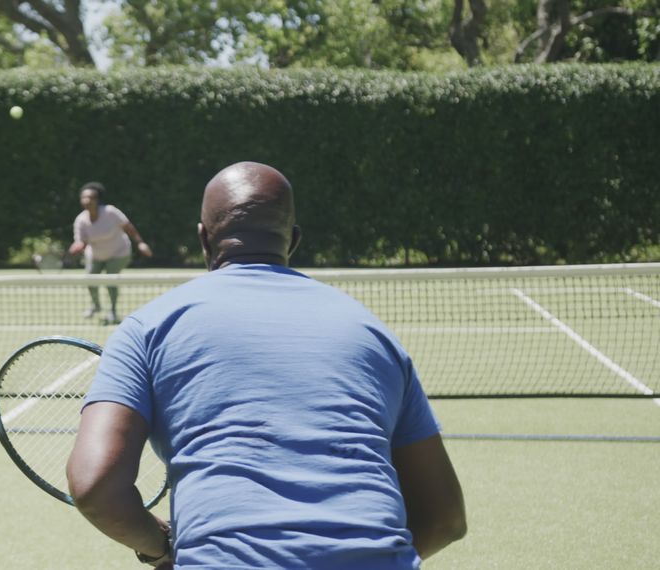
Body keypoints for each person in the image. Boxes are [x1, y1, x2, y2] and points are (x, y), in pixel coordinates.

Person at [66, 162, 466, 569]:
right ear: (292, 241)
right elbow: (445, 519)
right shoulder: (372, 332)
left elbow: (95, 485)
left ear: (204, 238)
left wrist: (160, 547)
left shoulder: (147, 327)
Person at [68, 181, 153, 324]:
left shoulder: (111, 212)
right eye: (84, 198)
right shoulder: (80, 220)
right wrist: (77, 246)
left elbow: (129, 228)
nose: (87, 200)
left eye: (91, 197)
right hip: (96, 255)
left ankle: (113, 311)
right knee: (90, 280)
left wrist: (141, 243)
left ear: (98, 199)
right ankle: (96, 305)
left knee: (111, 280)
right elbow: (81, 241)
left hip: (119, 252)